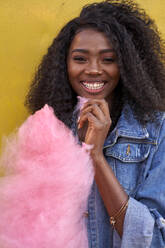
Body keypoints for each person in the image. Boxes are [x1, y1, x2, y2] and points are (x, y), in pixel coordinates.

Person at [25, 0, 165, 247]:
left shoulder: (157, 131)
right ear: (64, 65)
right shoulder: (48, 129)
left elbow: (154, 239)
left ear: (127, 66)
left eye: (108, 59)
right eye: (80, 59)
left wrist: (95, 156)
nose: (93, 70)